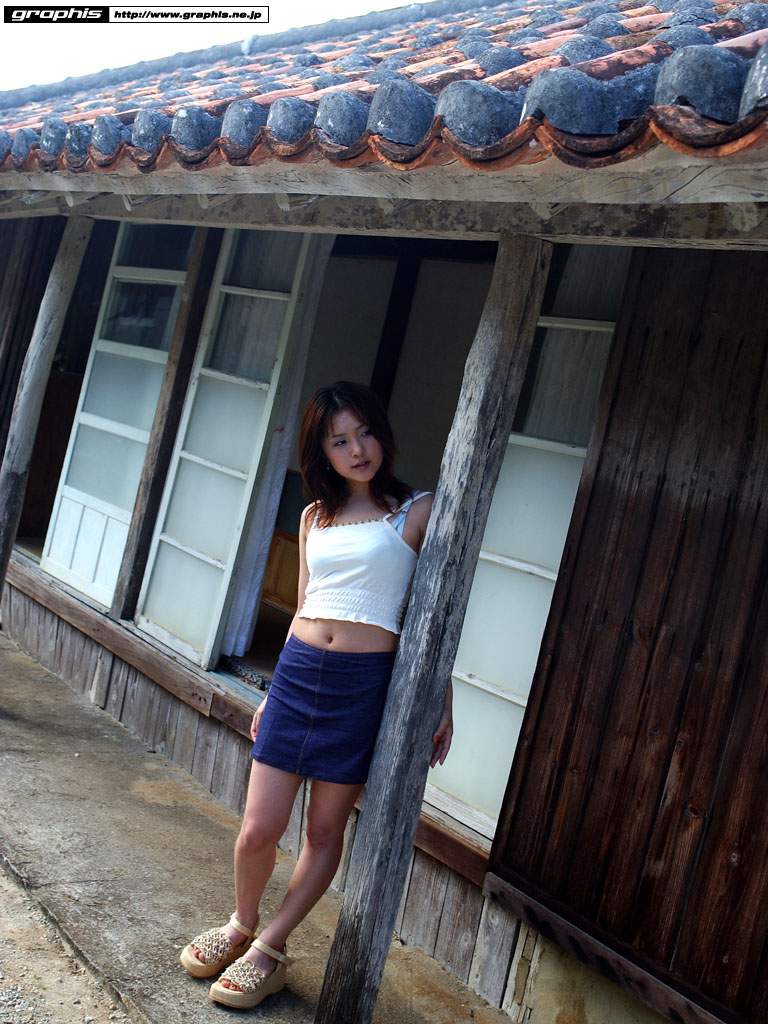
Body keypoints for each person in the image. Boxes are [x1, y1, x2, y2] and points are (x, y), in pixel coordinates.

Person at [179, 380, 454, 1010]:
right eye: (340, 440)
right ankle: (240, 923)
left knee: (323, 832)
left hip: (362, 686)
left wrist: (443, 699)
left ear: (382, 434)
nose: (357, 449)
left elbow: (436, 614)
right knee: (258, 829)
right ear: (321, 451)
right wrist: (272, 693)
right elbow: (304, 604)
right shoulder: (313, 517)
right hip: (299, 675)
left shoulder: (418, 510)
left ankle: (269, 948)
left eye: (365, 433)